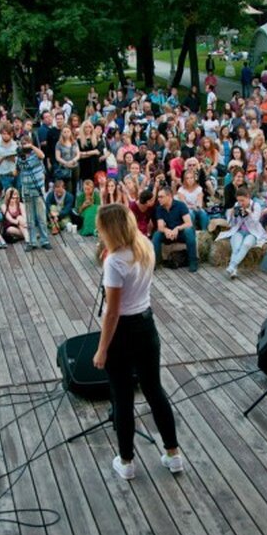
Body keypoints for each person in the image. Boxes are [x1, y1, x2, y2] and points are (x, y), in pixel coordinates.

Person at [91, 204, 182, 480]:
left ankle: (127, 461)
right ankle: (173, 454)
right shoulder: (144, 245)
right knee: (154, 390)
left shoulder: (115, 261)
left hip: (123, 332)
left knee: (122, 397)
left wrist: (102, 349)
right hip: (146, 324)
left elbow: (113, 312)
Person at [216, 187, 267, 279]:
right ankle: (233, 270)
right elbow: (232, 224)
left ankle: (232, 266)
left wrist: (250, 213)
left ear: (248, 197)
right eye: (238, 201)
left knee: (246, 244)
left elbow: (256, 220)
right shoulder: (237, 205)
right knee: (236, 247)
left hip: (253, 233)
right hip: (239, 231)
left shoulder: (256, 205)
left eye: (242, 200)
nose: (240, 203)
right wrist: (231, 215)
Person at [151, 186, 198, 272]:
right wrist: (166, 230)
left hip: (181, 233)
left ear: (169, 196)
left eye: (161, 197)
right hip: (168, 234)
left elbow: (188, 223)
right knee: (157, 235)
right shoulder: (159, 209)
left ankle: (193, 262)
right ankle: (155, 262)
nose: (158, 199)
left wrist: (177, 228)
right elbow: (160, 226)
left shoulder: (180, 205)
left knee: (189, 231)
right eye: (158, 197)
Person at [18, 136, 52, 250]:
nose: (25, 145)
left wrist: (32, 147)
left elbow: (42, 155)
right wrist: (20, 154)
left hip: (38, 189)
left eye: (27, 142)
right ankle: (31, 241)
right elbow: (18, 169)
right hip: (26, 188)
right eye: (23, 143)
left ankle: (44, 240)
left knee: (41, 216)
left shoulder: (35, 154)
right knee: (29, 217)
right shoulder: (20, 156)